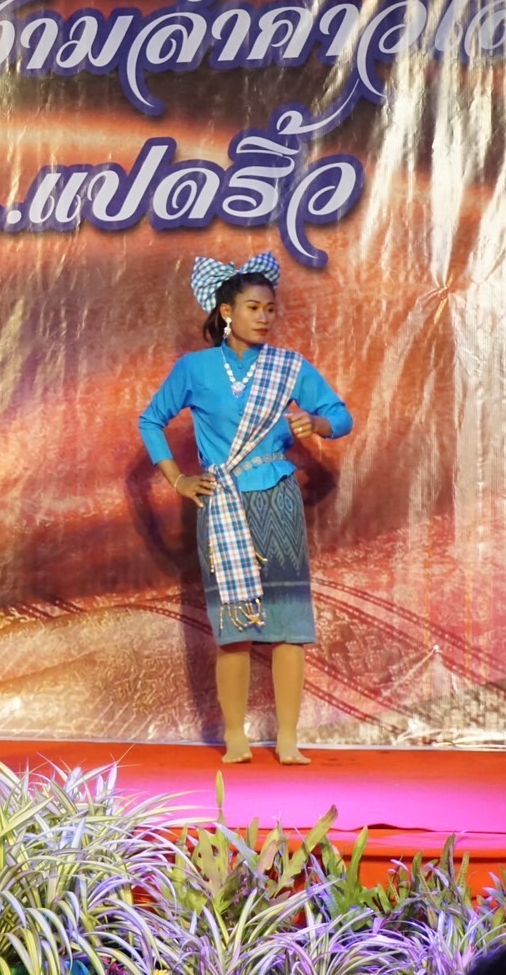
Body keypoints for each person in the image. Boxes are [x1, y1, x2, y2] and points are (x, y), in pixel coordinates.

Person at [138, 252, 352, 766]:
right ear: (227, 312)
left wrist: (317, 426)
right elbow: (151, 420)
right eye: (253, 308)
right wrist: (178, 479)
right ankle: (235, 735)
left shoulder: (288, 367)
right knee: (233, 626)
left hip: (277, 497)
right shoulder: (195, 368)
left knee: (288, 623)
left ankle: (288, 738)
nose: (264, 317)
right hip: (221, 502)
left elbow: (340, 416)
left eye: (270, 309)